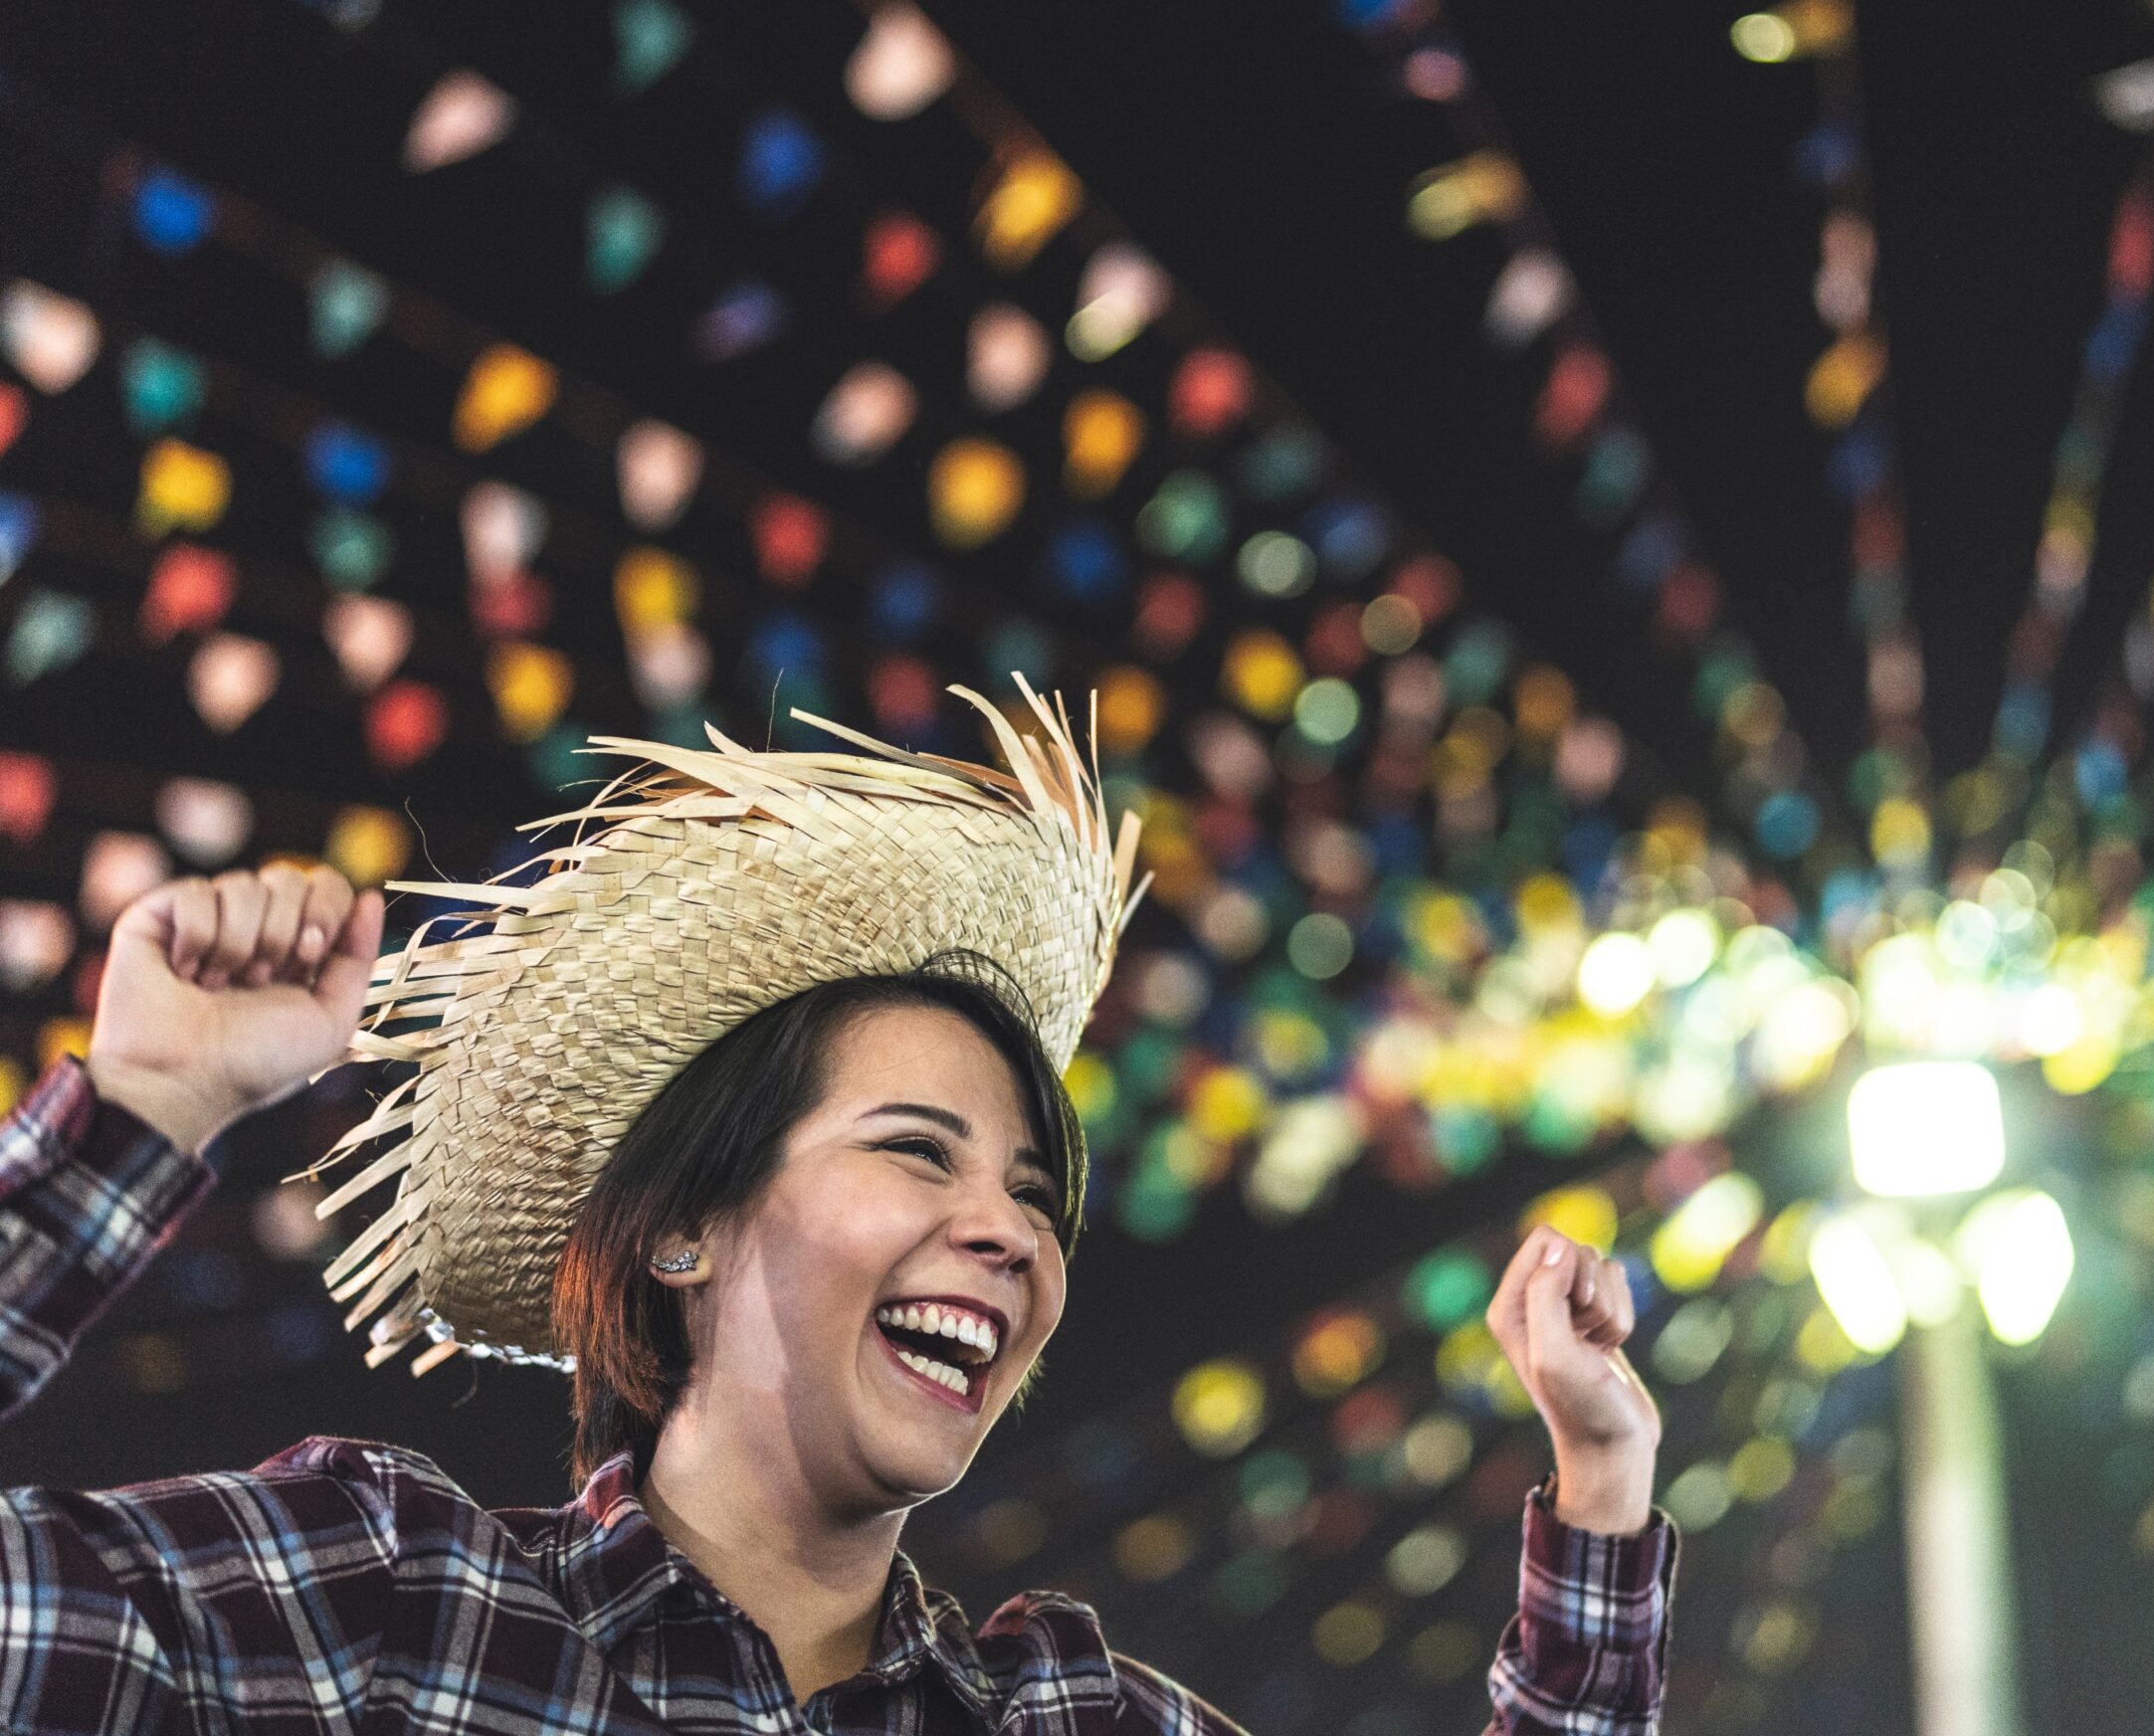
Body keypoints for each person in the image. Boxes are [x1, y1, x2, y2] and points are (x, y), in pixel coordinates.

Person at [0, 687, 1677, 1732]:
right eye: (917, 1151)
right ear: (686, 1226)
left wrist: (1600, 1488)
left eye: (1034, 1190)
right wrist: (143, 1115)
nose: (1011, 1231)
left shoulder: (1071, 1717)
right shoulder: (383, 1603)